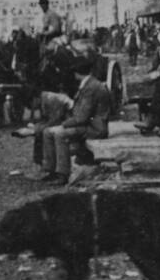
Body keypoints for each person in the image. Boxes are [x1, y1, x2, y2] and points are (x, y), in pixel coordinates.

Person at [37, 54, 112, 185]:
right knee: (48, 132)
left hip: (94, 128)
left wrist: (64, 124)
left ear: (77, 73)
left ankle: (62, 174)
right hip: (88, 124)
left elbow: (82, 117)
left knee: (59, 134)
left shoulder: (91, 87)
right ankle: (50, 170)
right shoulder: (90, 83)